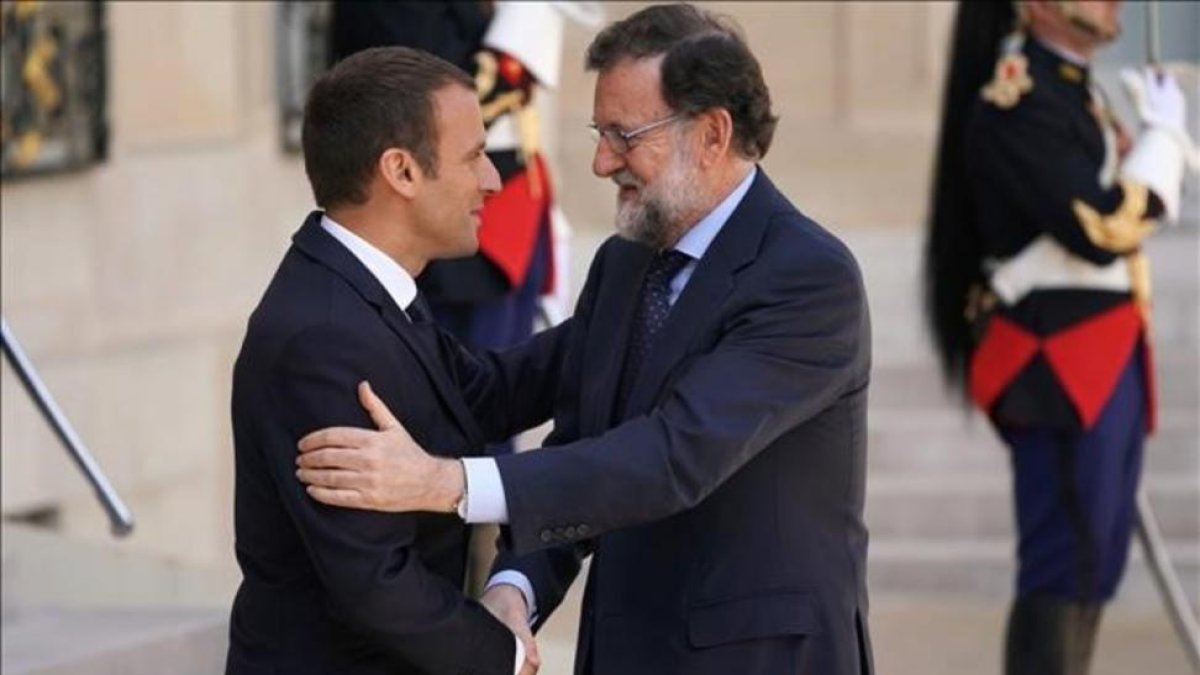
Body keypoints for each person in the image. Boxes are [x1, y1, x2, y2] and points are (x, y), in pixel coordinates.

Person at [296, 5, 874, 674]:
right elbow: (567, 433)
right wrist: (516, 588)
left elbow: (669, 456)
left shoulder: (807, 278)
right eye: (601, 132)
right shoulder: (627, 262)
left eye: (626, 136)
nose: (602, 162)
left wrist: (444, 481)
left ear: (713, 133)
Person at [225, 46, 541, 675]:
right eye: (474, 156)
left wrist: (619, 321)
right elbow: (373, 579)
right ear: (401, 171)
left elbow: (482, 392)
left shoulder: (367, 290)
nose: (492, 180)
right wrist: (503, 657)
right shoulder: (324, 334)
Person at [923, 2, 1189, 674]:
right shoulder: (1018, 100)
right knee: (1064, 562)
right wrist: (1161, 146)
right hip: (1060, 361)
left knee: (1094, 559)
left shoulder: (1074, 92)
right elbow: (1100, 231)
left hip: (1101, 351)